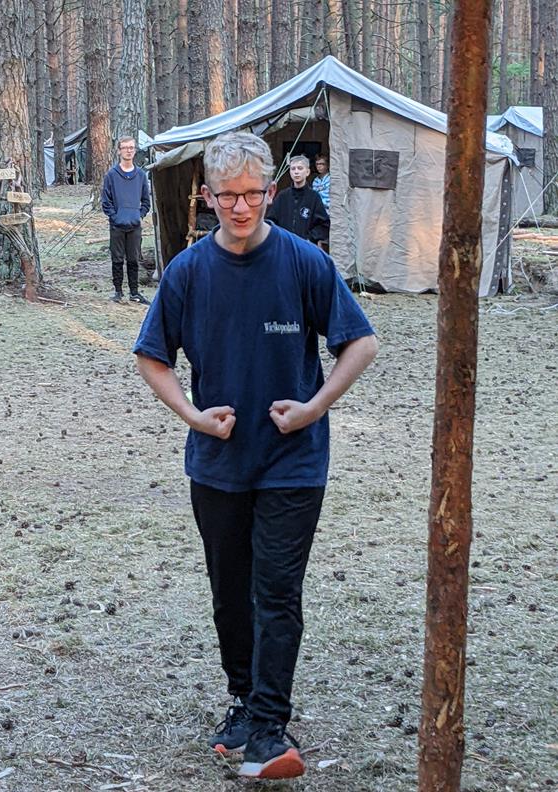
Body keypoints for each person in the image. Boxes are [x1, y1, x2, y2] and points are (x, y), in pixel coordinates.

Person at [133, 132, 377, 780]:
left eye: (251, 194)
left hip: (293, 462)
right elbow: (151, 357)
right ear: (207, 197)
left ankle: (270, 727)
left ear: (270, 192)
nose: (240, 207)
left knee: (277, 591)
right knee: (230, 593)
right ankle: (243, 701)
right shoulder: (188, 272)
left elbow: (360, 343)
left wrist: (313, 407)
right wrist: (192, 416)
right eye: (227, 196)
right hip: (218, 465)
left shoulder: (304, 263)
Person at [101, 136, 151, 304]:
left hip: (134, 226)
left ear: (135, 151)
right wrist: (115, 217)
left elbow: (146, 202)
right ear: (119, 151)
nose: (128, 151)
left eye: (131, 148)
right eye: (125, 148)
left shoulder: (141, 175)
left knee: (133, 260)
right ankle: (118, 291)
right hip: (117, 225)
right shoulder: (111, 175)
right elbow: (106, 201)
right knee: (117, 259)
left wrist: (139, 216)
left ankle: (134, 292)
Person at [266, 154, 330, 244]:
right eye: (293, 169)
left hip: (305, 247)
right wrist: (279, 237)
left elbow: (324, 225)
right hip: (284, 245)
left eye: (300, 168)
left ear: (307, 172)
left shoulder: (314, 197)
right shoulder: (282, 196)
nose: (296, 172)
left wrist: (310, 238)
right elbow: (270, 221)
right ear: (290, 172)